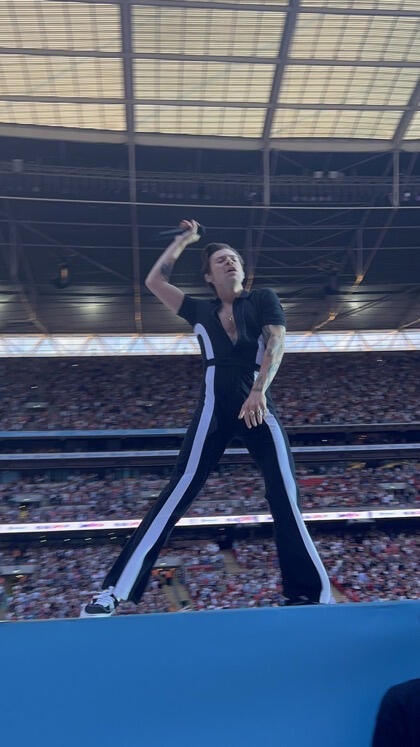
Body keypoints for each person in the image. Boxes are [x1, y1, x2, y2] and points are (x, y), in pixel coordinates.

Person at [81, 219, 334, 617]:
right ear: (209, 276)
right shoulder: (198, 309)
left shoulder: (262, 299)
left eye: (234, 258)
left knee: (284, 493)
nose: (230, 262)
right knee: (177, 492)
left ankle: (310, 594)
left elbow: (277, 340)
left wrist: (258, 391)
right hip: (213, 409)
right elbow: (154, 281)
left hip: (256, 405)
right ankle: (113, 591)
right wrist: (184, 240)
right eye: (221, 260)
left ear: (243, 270)